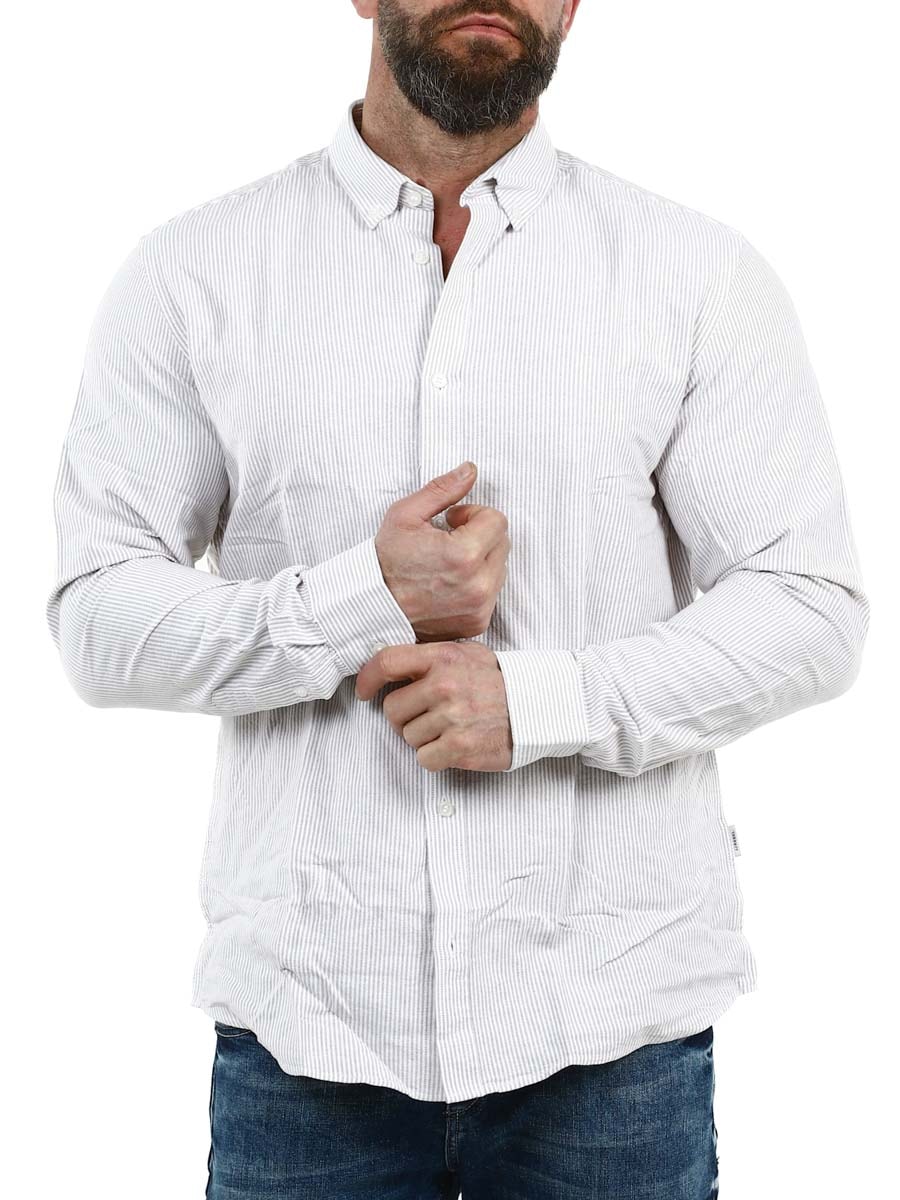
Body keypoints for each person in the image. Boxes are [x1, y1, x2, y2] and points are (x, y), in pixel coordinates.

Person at [45, 1, 870, 1196]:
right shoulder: (195, 271)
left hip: (613, 1038)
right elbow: (98, 616)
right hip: (309, 1036)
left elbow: (810, 605)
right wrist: (362, 599)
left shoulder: (694, 273)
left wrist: (540, 702)